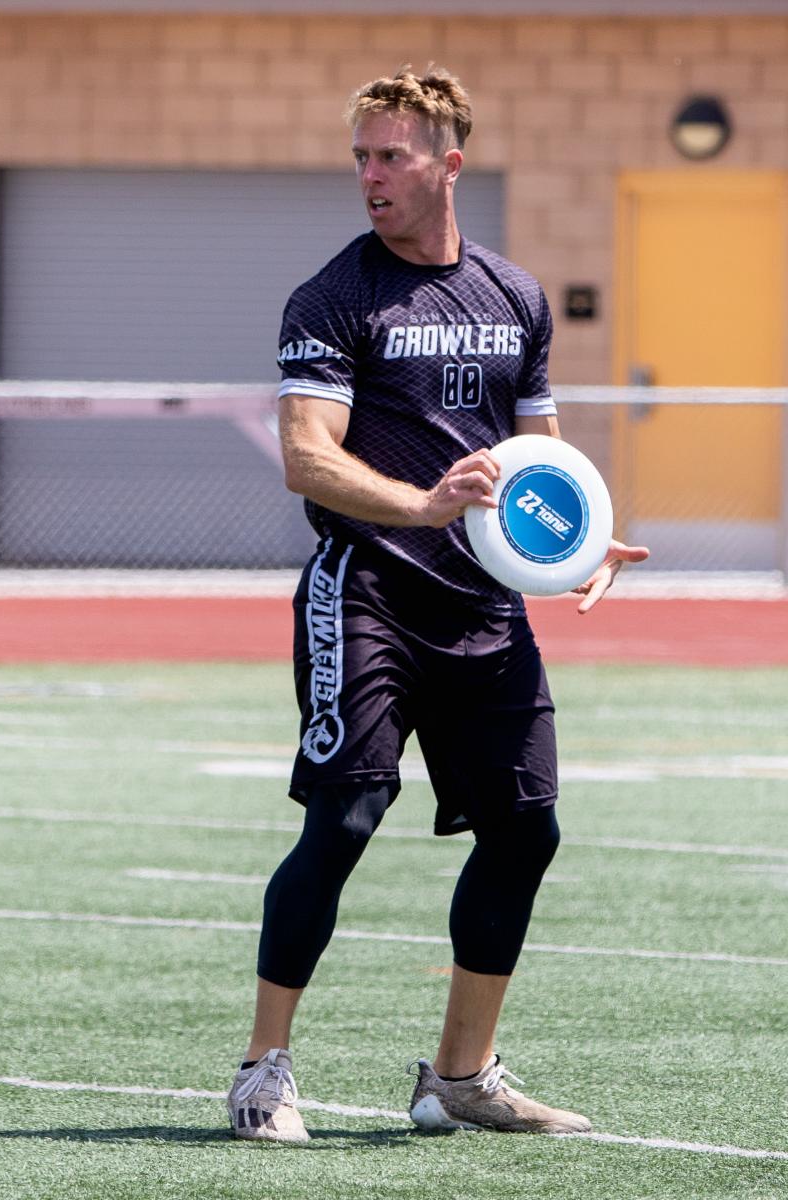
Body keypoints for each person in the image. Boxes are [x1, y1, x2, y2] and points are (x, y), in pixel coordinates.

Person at [227, 65, 649, 1144]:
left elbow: (539, 455)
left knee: (525, 830)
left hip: (483, 608)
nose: (369, 175)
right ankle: (263, 1070)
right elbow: (307, 457)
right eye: (360, 157)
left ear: (447, 164)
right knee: (346, 817)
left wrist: (577, 543)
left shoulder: (515, 295)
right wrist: (420, 505)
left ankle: (460, 1077)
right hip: (367, 590)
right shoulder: (333, 297)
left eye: (391, 156)